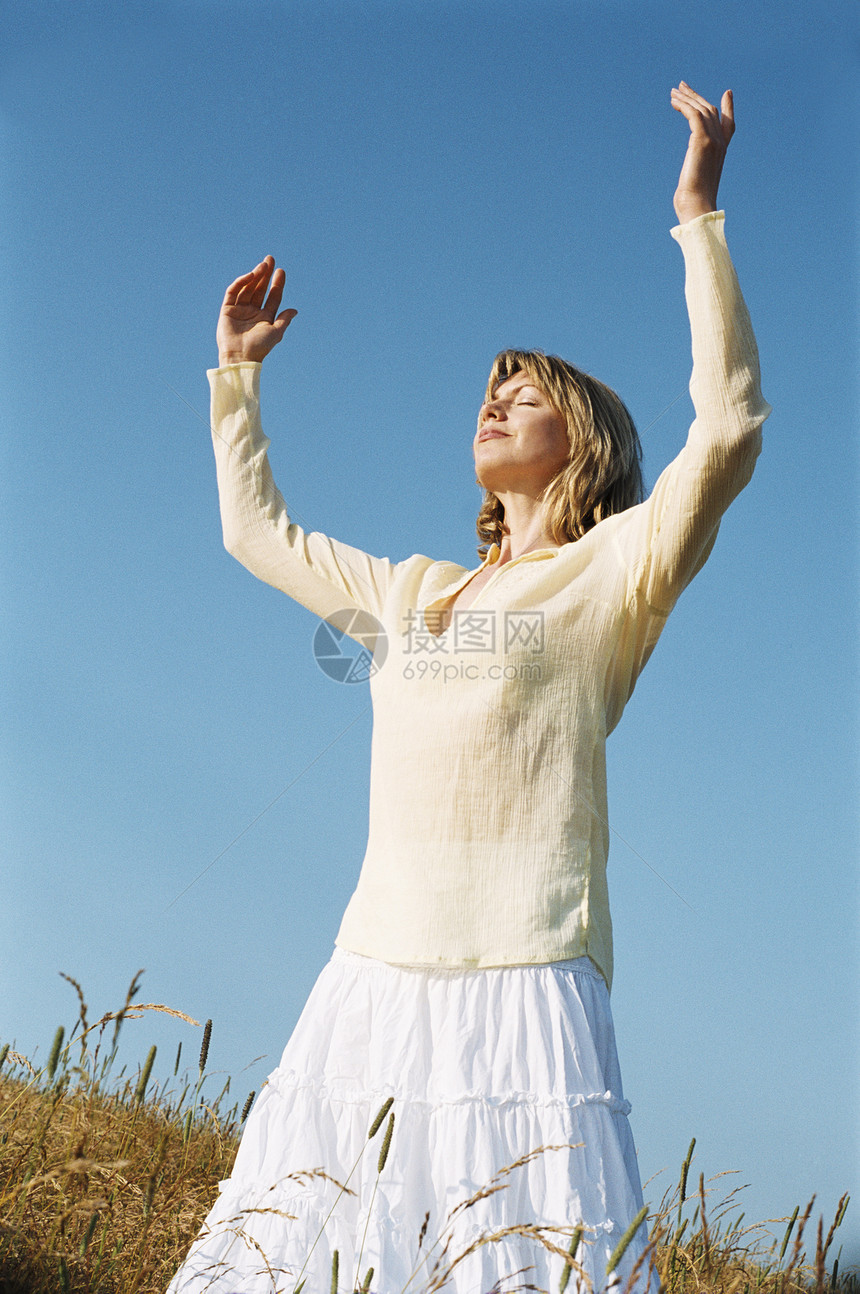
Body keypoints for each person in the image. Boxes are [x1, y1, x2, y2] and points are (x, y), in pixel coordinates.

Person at [167, 82, 770, 1294]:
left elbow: (730, 424)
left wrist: (696, 217)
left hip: (528, 982)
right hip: (372, 977)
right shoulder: (411, 592)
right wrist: (237, 379)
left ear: (583, 440)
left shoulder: (613, 572)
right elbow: (256, 533)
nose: (493, 397)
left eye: (525, 387)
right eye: (487, 388)